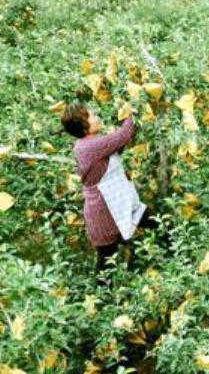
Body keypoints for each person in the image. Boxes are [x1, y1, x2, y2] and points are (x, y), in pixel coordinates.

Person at [61, 103, 155, 283]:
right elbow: (123, 135)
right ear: (83, 124)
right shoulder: (88, 147)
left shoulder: (90, 144)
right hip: (103, 212)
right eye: (91, 116)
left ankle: (181, 251)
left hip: (114, 203)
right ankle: (101, 303)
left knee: (153, 221)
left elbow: (117, 144)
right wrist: (136, 107)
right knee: (105, 262)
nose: (96, 116)